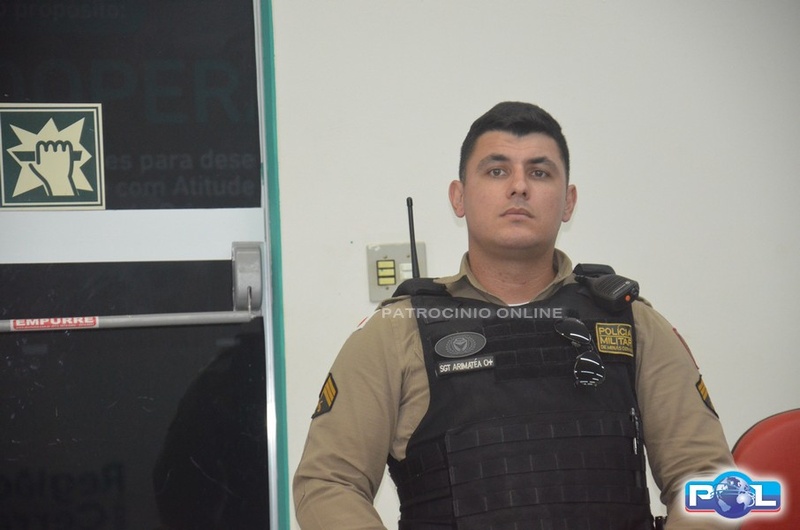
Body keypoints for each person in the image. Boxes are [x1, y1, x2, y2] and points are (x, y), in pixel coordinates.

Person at [293, 102, 736, 529]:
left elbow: (709, 481)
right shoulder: (396, 333)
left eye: (540, 172)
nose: (519, 187)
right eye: (497, 171)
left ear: (568, 201)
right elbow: (329, 482)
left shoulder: (633, 325)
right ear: (459, 197)